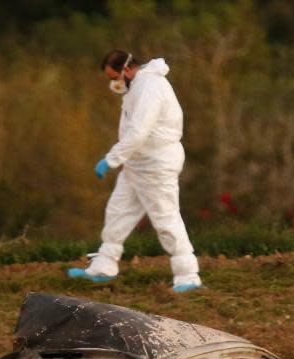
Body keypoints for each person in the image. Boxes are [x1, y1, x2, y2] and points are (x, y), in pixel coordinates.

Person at [67, 50, 202, 293]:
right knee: (118, 211)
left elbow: (139, 131)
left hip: (156, 164)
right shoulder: (137, 88)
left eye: (115, 76)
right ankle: (104, 265)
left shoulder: (149, 88)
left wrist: (111, 159)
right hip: (137, 164)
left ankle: (188, 274)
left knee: (165, 217)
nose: (114, 83)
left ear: (127, 70)